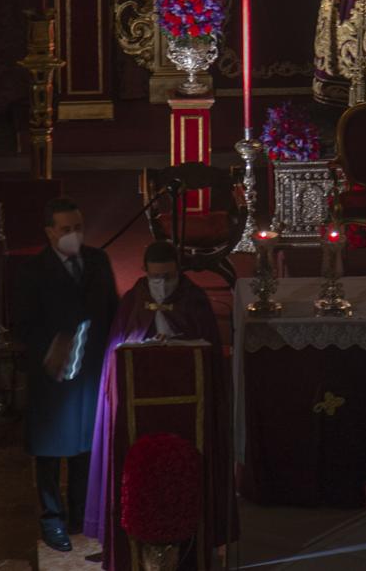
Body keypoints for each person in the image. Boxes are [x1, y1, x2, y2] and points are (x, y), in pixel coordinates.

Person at [83, 240, 235, 570]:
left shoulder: (195, 300)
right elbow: (115, 355)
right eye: (155, 277)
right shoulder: (134, 300)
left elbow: (209, 356)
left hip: (188, 405)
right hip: (139, 404)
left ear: (179, 272)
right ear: (145, 273)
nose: (161, 284)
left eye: (168, 277)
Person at [14, 197, 118, 553]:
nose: (73, 235)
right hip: (52, 373)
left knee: (85, 446)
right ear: (49, 232)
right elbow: (22, 324)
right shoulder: (32, 271)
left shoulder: (98, 262)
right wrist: (52, 346)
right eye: (65, 229)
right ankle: (52, 520)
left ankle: (80, 514)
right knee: (49, 449)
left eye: (78, 227)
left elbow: (111, 310)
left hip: (90, 370)